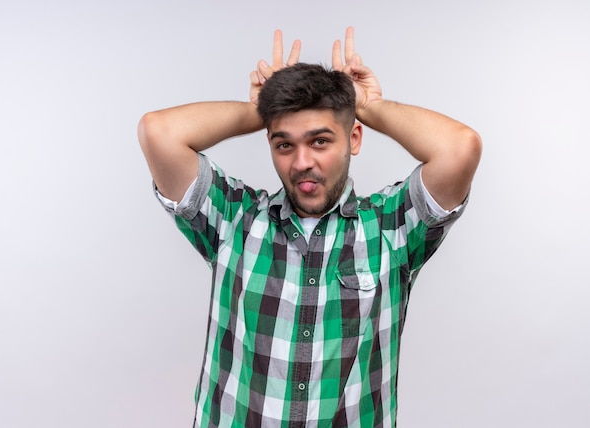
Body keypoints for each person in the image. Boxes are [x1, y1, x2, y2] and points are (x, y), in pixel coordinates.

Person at [138, 27, 481, 428]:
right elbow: (158, 133)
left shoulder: (391, 227)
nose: (301, 162)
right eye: (284, 144)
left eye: (320, 141)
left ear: (354, 138)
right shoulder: (235, 220)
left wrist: (369, 106)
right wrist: (260, 110)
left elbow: (460, 148)